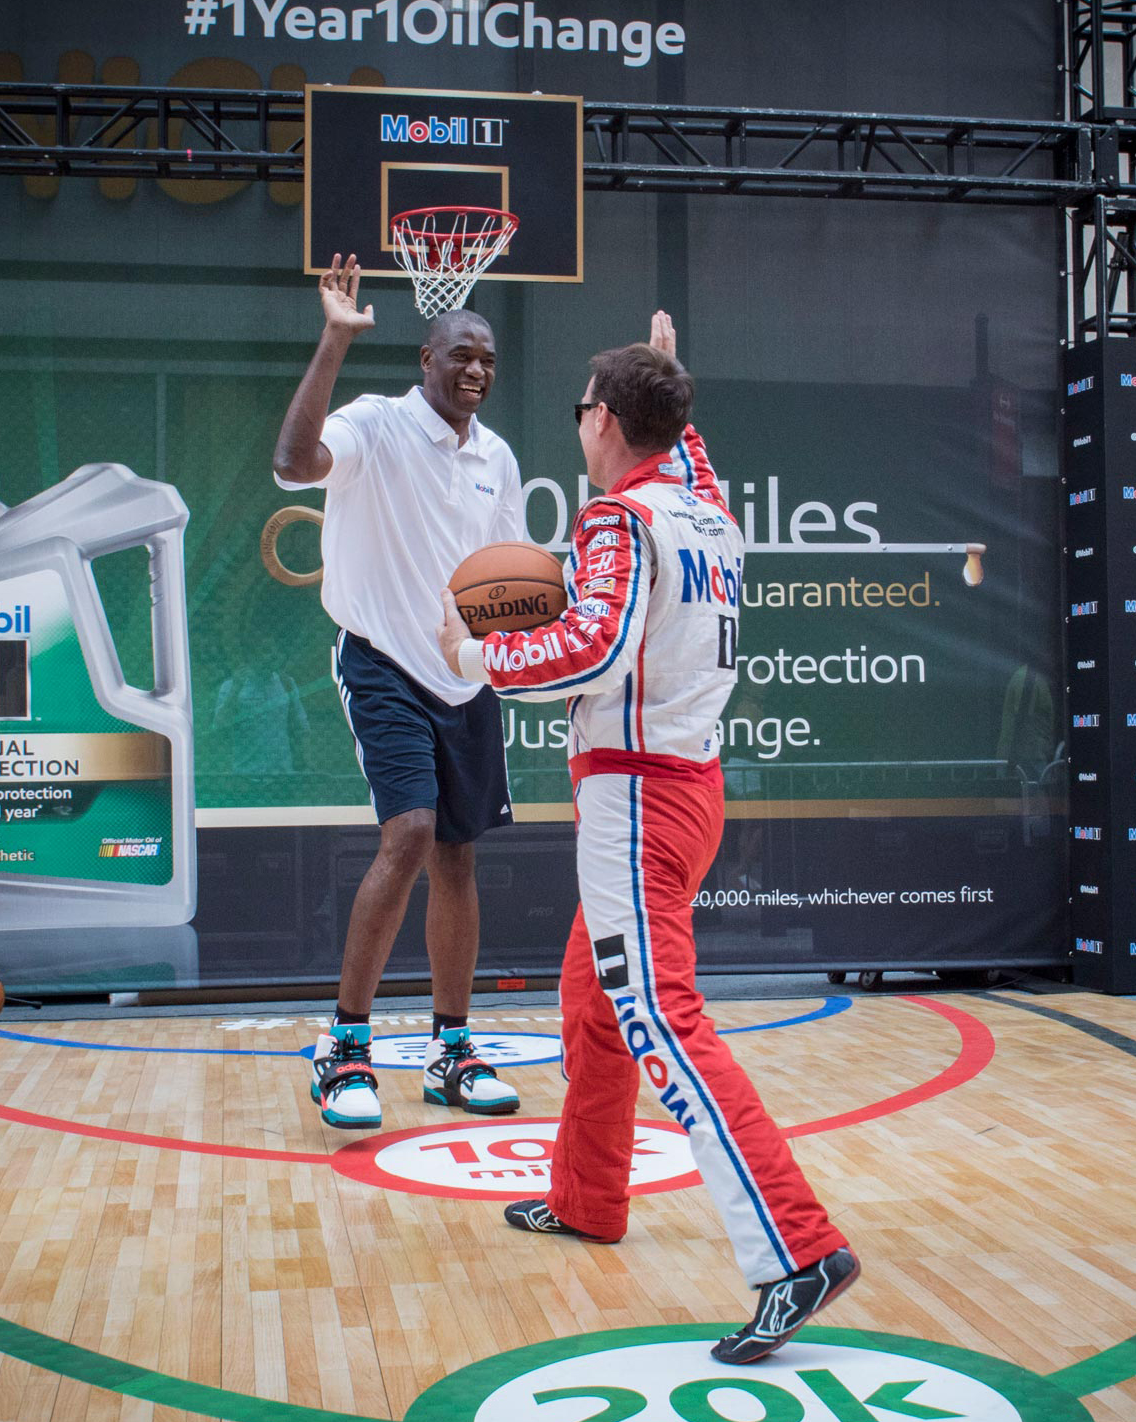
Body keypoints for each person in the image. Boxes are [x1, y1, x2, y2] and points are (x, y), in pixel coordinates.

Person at [434, 313, 858, 1366]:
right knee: (591, 1001)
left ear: (603, 422)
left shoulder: (620, 520)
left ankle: (796, 1250)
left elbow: (593, 650)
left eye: (583, 407)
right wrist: (667, 372)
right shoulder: (707, 509)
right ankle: (587, 1197)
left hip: (634, 798)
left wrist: (477, 652)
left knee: (658, 1019)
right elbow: (687, 449)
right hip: (687, 788)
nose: (576, 422)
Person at [271, 254, 521, 1128]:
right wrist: (335, 339)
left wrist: (500, 652)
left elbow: (505, 575)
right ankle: (344, 1047)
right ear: (426, 359)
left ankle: (452, 1051)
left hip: (464, 674)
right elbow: (294, 461)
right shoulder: (375, 424)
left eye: (488, 358)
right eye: (461, 355)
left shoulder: (496, 456)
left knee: (457, 853)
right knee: (410, 833)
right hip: (382, 660)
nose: (477, 369)